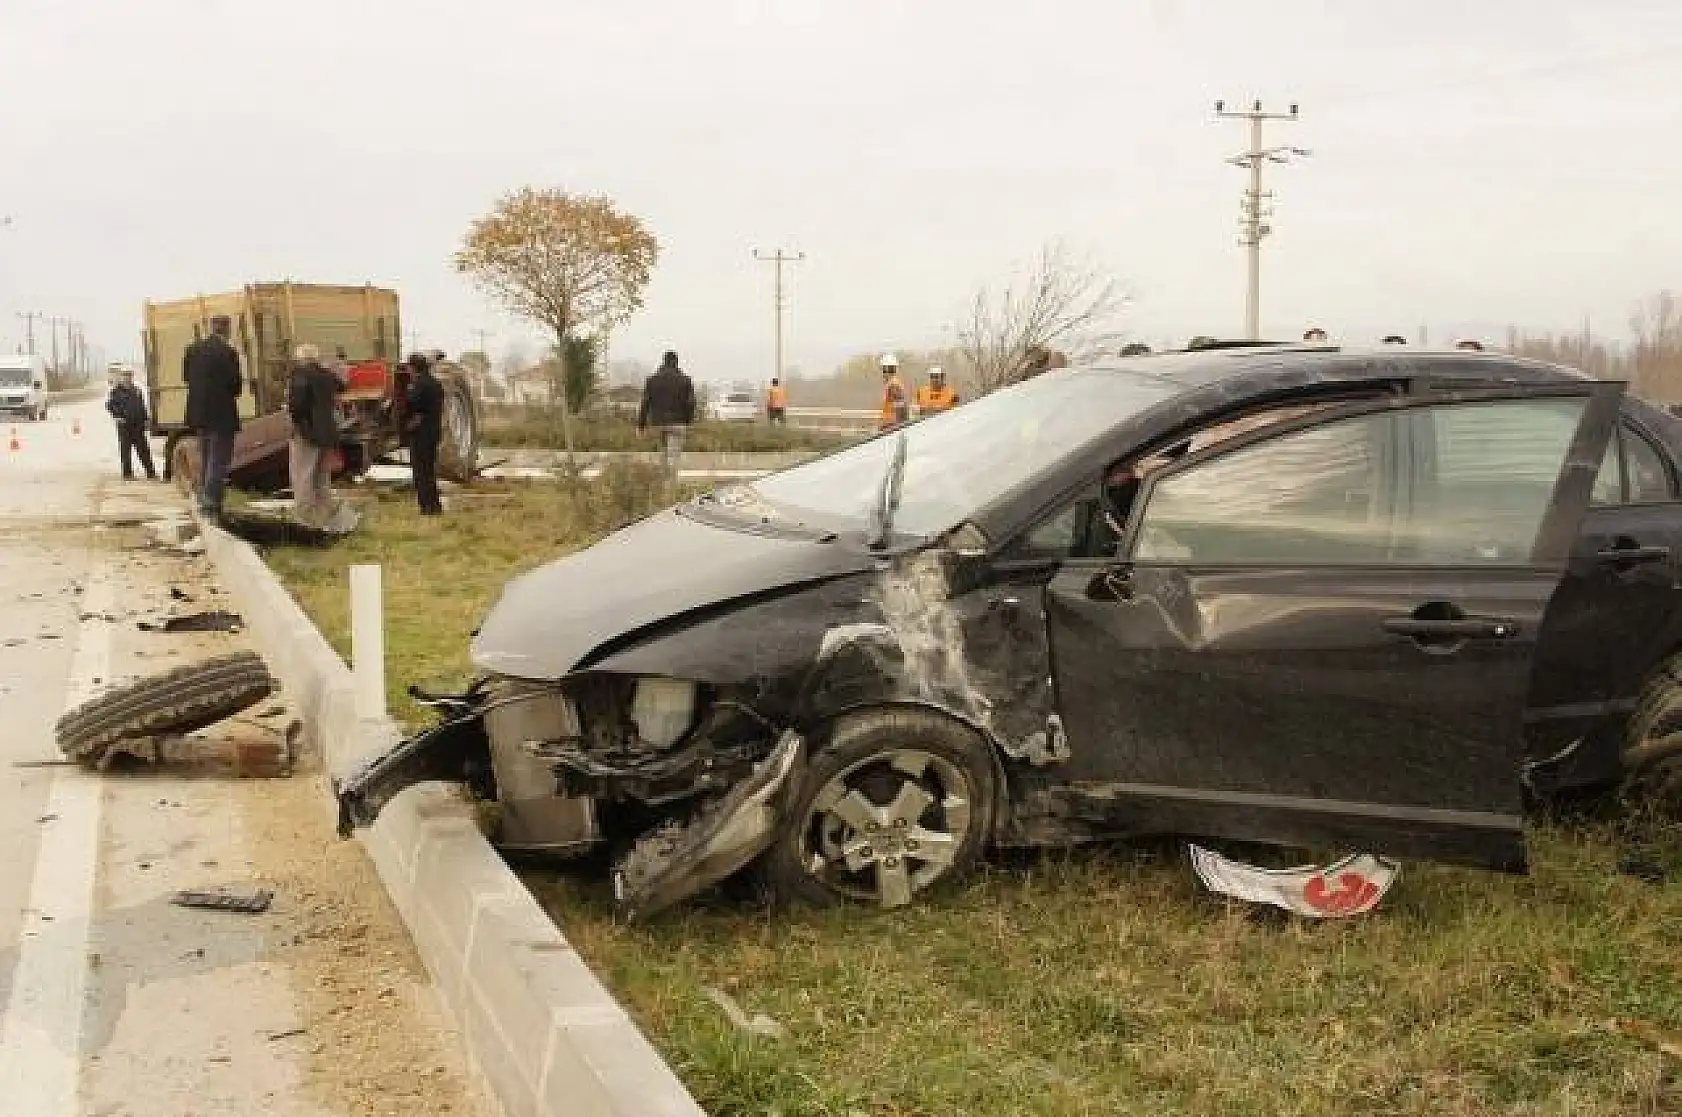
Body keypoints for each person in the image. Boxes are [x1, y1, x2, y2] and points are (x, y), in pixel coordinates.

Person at [182, 315, 243, 520]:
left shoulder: (192, 350)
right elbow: (236, 387)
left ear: (211, 328)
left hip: (199, 413)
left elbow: (186, 378)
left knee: (206, 457)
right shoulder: (228, 352)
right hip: (222, 414)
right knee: (218, 460)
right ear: (227, 330)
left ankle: (204, 498)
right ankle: (210, 505)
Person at [286, 344, 343, 527]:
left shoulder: (300, 375)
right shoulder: (327, 376)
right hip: (326, 432)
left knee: (302, 475)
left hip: (306, 432)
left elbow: (296, 406)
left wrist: (295, 422)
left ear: (301, 359)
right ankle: (327, 516)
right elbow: (341, 386)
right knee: (322, 477)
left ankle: (305, 519)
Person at [637, 351, 697, 477]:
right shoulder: (685, 380)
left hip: (657, 423)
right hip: (678, 423)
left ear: (663, 362)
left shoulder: (652, 380)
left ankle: (662, 482)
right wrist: (688, 422)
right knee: (673, 457)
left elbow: (645, 403)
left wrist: (641, 425)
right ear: (676, 362)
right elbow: (691, 403)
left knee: (662, 456)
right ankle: (671, 484)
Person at [405, 352, 445, 516]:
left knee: (420, 472)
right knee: (429, 471)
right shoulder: (436, 384)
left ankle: (426, 508)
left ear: (413, 368)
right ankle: (435, 506)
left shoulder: (419, 385)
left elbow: (412, 404)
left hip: (421, 433)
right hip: (434, 431)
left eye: (408, 367)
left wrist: (408, 390)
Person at [105, 366, 156, 481]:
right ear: (121, 377)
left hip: (138, 425)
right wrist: (117, 416)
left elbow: (141, 406)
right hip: (124, 425)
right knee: (125, 451)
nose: (127, 378)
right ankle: (127, 474)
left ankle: (151, 473)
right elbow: (110, 406)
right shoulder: (115, 392)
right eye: (125, 375)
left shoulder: (137, 390)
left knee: (143, 449)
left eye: (129, 375)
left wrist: (146, 419)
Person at [877, 352, 909, 430]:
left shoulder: (894, 385)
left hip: (891, 427)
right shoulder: (891, 384)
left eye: (885, 370)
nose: (884, 373)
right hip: (889, 425)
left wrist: (897, 428)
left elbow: (901, 409)